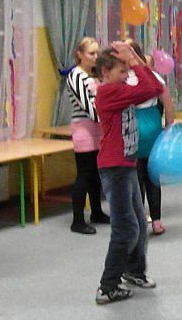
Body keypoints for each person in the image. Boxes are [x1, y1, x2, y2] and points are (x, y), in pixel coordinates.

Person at [93, 41, 164, 305]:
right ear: (105, 73)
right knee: (126, 228)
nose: (126, 75)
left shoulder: (119, 88)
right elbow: (151, 88)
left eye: (127, 70)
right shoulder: (108, 92)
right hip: (115, 168)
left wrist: (134, 58)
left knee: (139, 224)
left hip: (127, 164)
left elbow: (155, 86)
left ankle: (133, 271)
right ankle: (107, 286)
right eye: (121, 71)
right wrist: (134, 60)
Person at [126, 40, 175, 236]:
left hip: (132, 127)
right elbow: (168, 106)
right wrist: (168, 129)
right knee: (153, 177)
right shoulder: (154, 77)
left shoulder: (123, 78)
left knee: (135, 178)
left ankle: (138, 220)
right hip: (153, 125)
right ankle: (157, 221)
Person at [64, 37, 110, 235]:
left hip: (98, 128)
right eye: (91, 53)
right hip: (84, 128)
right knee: (84, 173)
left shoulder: (95, 75)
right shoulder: (75, 76)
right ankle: (77, 220)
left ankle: (96, 212)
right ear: (80, 55)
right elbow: (88, 106)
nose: (95, 56)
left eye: (97, 53)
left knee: (96, 174)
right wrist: (106, 117)